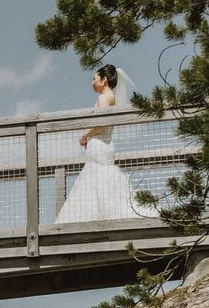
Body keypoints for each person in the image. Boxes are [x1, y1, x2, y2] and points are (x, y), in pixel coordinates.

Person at [55, 64, 148, 223]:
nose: (92, 82)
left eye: (94, 78)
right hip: (104, 144)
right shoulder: (112, 98)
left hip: (100, 145)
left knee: (96, 178)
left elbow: (102, 124)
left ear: (104, 80)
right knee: (101, 178)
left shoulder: (104, 98)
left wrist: (85, 135)